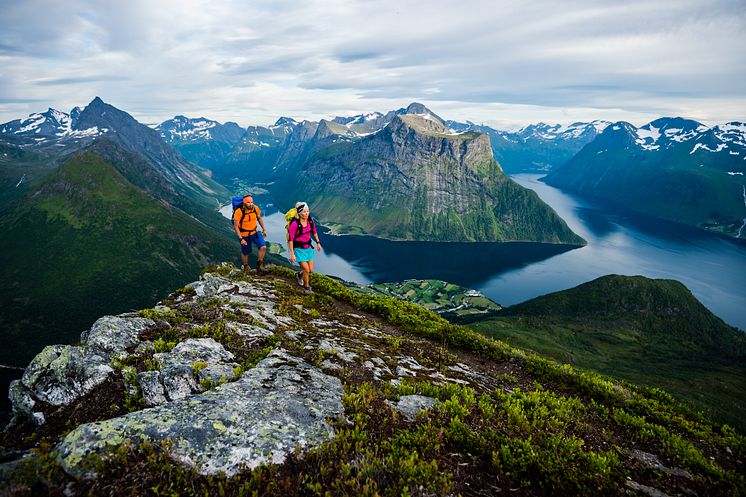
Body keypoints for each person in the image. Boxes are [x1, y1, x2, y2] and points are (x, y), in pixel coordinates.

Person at [288, 202, 322, 292]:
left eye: (307, 211)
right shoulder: (295, 224)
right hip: (298, 249)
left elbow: (314, 231)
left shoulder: (310, 221)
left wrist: (318, 242)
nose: (306, 214)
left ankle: (299, 274)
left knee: (310, 270)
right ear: (299, 213)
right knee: (306, 269)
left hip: (308, 247)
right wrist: (292, 254)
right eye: (304, 212)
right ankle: (307, 287)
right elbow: (290, 240)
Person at [233, 194, 268, 274]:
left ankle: (259, 266)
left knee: (263, 247)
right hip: (244, 234)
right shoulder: (239, 211)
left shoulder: (255, 208)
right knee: (245, 252)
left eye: (252, 202)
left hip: (255, 232)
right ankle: (246, 267)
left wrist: (264, 229)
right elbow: (236, 226)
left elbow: (259, 218)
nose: (251, 204)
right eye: (248, 202)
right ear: (244, 203)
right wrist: (241, 239)